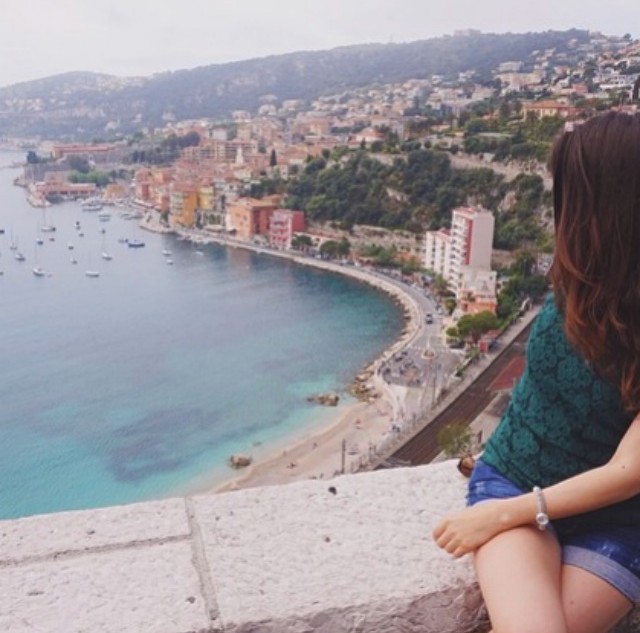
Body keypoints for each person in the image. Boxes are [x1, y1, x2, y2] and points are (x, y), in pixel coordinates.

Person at [432, 110, 640, 633]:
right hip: (516, 475)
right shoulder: (581, 278)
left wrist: (502, 514)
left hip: (617, 515)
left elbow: (630, 470)